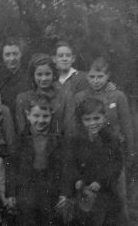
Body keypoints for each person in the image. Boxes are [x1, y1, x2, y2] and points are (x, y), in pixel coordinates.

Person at [74, 56, 135, 225]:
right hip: (90, 154)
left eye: (100, 77)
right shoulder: (80, 96)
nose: (95, 81)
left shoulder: (117, 96)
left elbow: (127, 127)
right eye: (92, 77)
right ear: (87, 77)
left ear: (108, 76)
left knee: (118, 196)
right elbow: (78, 127)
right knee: (91, 199)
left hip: (114, 153)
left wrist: (130, 154)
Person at [57, 97, 122, 225]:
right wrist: (77, 179)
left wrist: (101, 181)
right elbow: (70, 164)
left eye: (96, 118)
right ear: (81, 121)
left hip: (104, 190)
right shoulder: (76, 140)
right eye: (87, 119)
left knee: (103, 218)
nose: (92, 123)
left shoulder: (110, 140)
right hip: (81, 189)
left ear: (104, 117)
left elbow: (116, 165)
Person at [10, 94, 64, 225]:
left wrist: (64, 193)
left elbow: (65, 167)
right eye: (36, 116)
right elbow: (12, 167)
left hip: (50, 187)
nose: (40, 120)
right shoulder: (20, 140)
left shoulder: (57, 140)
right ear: (28, 115)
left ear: (52, 115)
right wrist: (11, 193)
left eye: (45, 116)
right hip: (26, 189)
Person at [16, 53, 75, 136]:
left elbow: (69, 129)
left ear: (53, 74)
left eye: (47, 74)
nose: (44, 78)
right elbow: (22, 132)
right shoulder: (23, 99)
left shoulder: (65, 97)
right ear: (33, 75)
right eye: (39, 74)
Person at [0, 37, 30, 118]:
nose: (12, 58)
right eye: (7, 55)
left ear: (21, 54)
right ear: (2, 56)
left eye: (15, 54)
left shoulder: (29, 76)